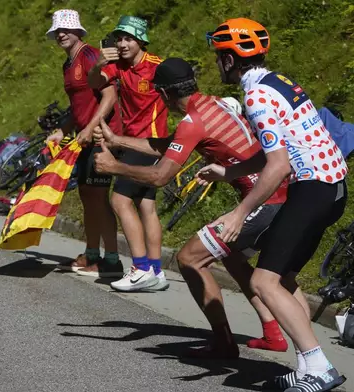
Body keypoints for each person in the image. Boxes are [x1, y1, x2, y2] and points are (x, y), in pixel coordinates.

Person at [92, 57, 291, 357]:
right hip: (278, 191)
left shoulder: (192, 122)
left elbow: (160, 176)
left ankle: (224, 344)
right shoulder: (209, 104)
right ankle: (273, 334)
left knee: (189, 259)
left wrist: (113, 167)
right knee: (234, 256)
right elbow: (171, 144)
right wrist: (118, 139)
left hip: (265, 199)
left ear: (164, 94)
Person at [200, 18, 348, 391]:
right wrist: (230, 172)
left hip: (314, 187)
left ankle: (318, 369)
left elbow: (278, 165)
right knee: (282, 278)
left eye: (220, 56)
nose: (218, 64)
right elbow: (277, 151)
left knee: (263, 281)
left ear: (231, 60)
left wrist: (238, 212)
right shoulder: (276, 81)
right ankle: (309, 364)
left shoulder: (256, 97)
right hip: (331, 186)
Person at [86, 15, 168, 289]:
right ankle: (156, 271)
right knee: (146, 206)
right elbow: (95, 83)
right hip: (129, 141)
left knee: (119, 201)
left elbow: (184, 91)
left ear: (141, 41)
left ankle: (140, 267)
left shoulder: (158, 67)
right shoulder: (118, 67)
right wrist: (98, 63)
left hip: (152, 142)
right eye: (119, 38)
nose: (122, 43)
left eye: (128, 38)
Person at [44, 9, 123, 273]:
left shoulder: (89, 56)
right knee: (88, 195)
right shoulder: (68, 63)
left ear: (78, 31)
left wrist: (90, 128)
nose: (61, 34)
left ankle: (112, 260)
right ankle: (91, 254)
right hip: (84, 138)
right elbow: (78, 104)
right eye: (58, 30)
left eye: (66, 29)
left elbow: (110, 95)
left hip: (102, 136)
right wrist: (62, 129)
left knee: (99, 198)